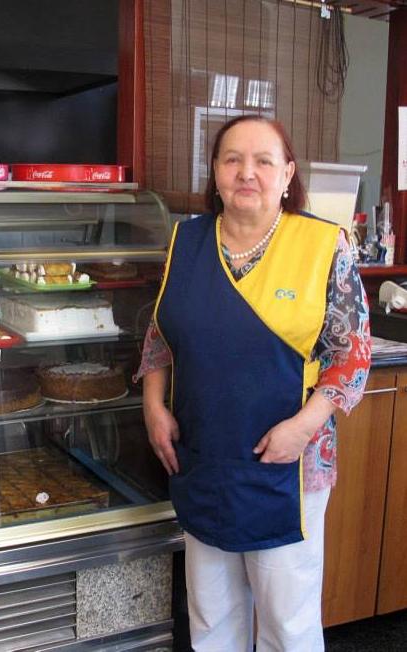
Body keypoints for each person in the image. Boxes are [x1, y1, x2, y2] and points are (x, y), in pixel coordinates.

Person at [137, 115, 371, 652]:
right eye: (233, 159)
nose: (247, 172)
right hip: (203, 454)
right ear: (215, 172)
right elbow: (159, 334)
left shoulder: (322, 244)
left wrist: (303, 428)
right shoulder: (186, 241)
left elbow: (351, 354)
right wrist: (153, 405)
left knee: (287, 621)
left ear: (287, 174)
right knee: (211, 612)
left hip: (290, 464)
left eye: (263, 161)